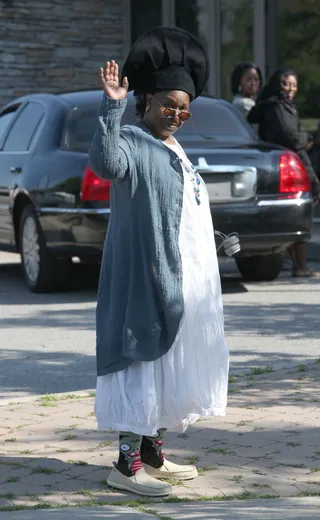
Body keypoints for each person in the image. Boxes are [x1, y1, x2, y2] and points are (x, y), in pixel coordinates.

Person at [87, 26, 229, 497]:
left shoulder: (175, 148)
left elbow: (178, 210)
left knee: (167, 368)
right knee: (141, 366)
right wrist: (111, 105)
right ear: (145, 100)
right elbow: (106, 163)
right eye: (168, 104)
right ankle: (125, 468)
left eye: (184, 107)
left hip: (179, 281)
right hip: (144, 281)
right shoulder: (130, 137)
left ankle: (153, 454)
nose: (176, 114)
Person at [248, 67, 320, 278]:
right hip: (292, 165)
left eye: (294, 85)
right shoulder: (275, 107)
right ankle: (300, 266)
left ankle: (299, 264)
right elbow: (289, 135)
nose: (291, 89)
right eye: (287, 84)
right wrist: (305, 141)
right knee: (301, 214)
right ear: (278, 84)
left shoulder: (280, 106)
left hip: (290, 164)